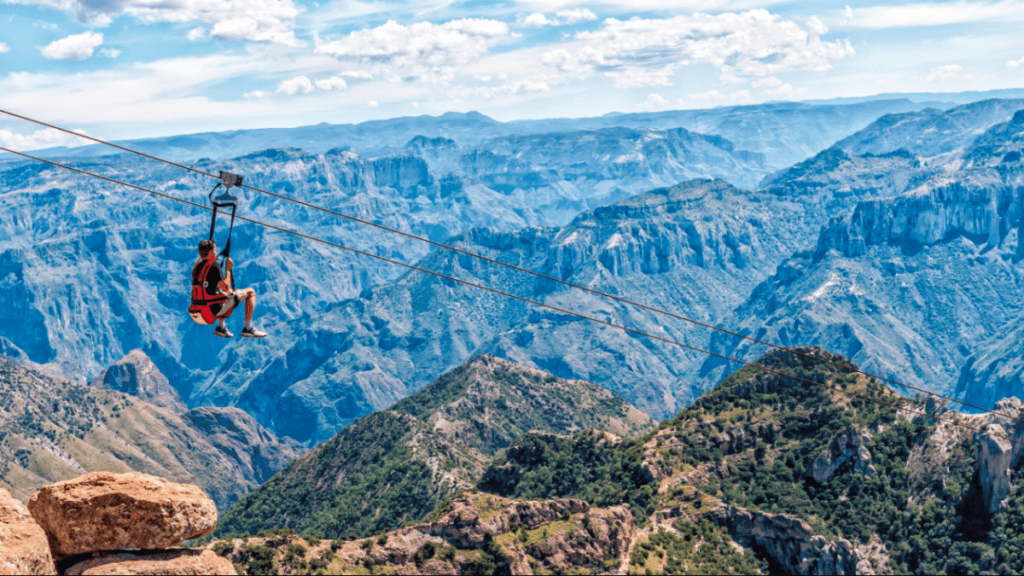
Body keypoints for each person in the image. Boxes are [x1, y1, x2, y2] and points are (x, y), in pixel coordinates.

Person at [192, 239, 267, 338]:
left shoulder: (197, 267)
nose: (215, 252)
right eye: (214, 250)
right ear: (210, 252)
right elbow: (226, 287)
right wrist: (228, 269)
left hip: (199, 311)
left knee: (223, 292)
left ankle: (221, 327)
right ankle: (248, 328)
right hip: (213, 311)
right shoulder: (214, 266)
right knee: (250, 292)